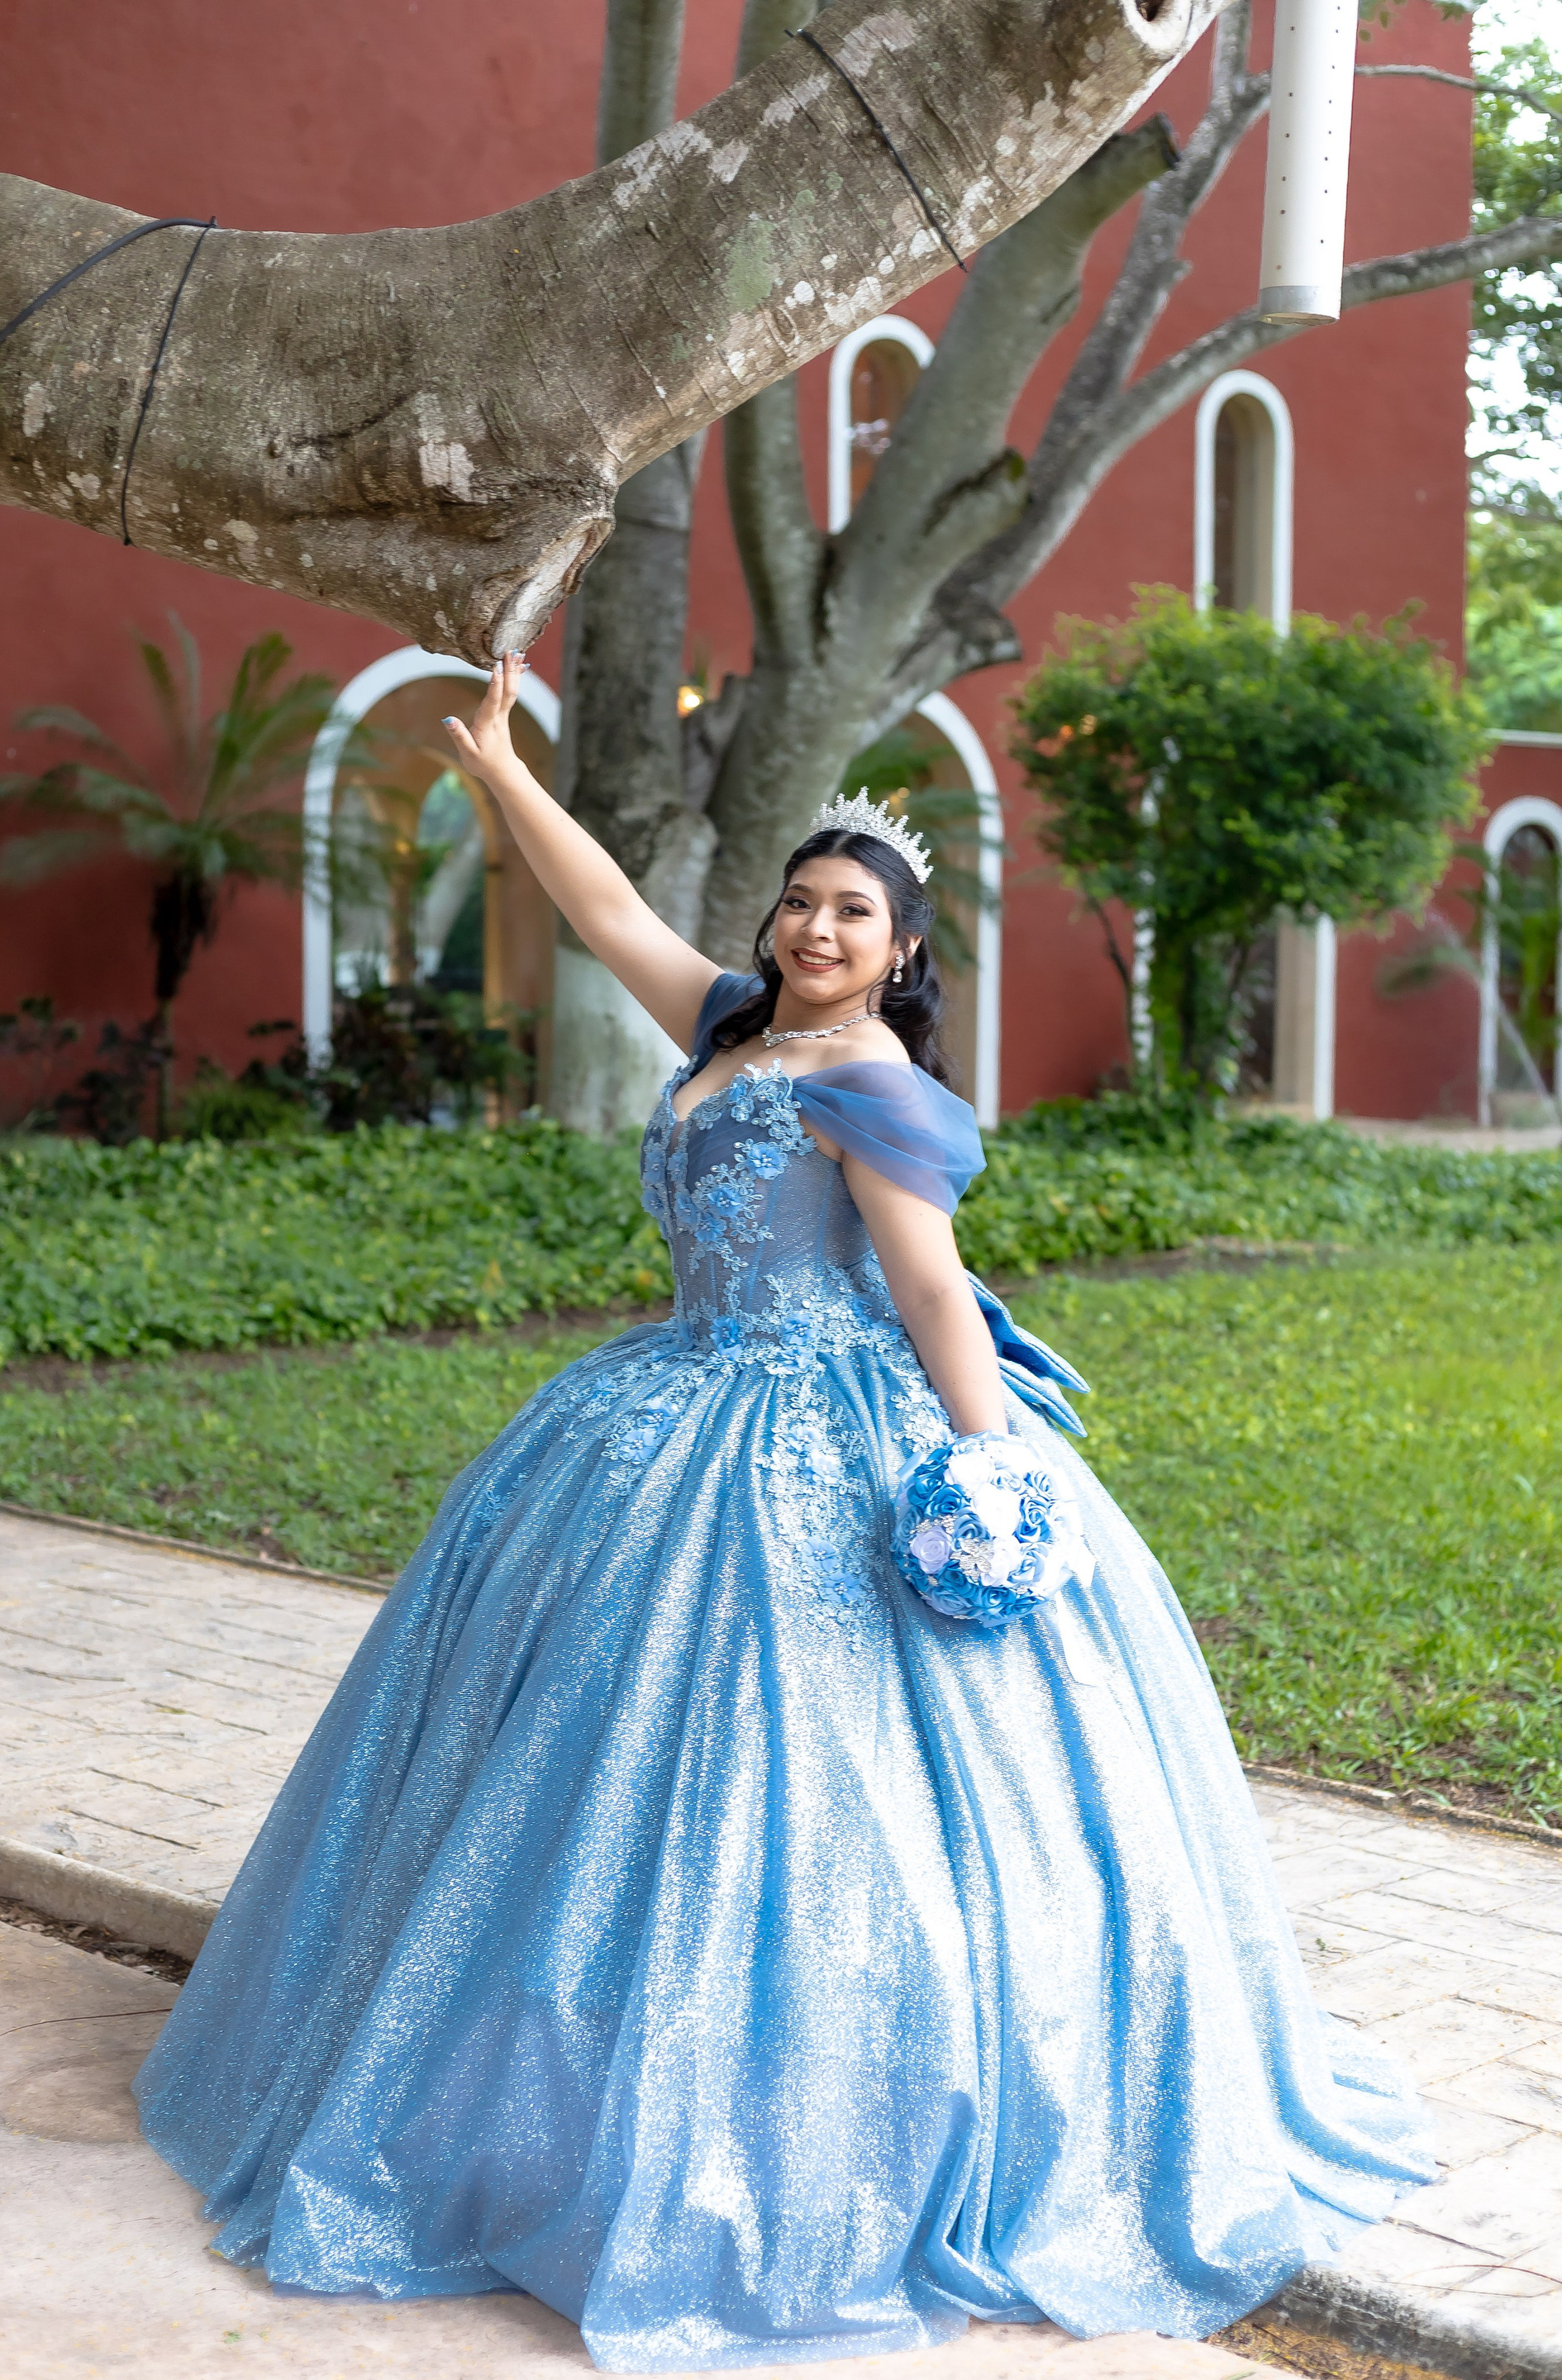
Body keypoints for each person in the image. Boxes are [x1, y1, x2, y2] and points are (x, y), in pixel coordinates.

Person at [136, 656, 1433, 2371]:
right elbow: (608, 911)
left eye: (853, 912)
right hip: (665, 1407)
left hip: (825, 1432)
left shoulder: (868, 1081)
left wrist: (993, 1474)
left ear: (903, 949)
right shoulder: (735, 1028)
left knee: (809, 1771)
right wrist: (505, 773)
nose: (819, 928)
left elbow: (936, 1291)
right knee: (584, 1757)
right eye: (802, 901)